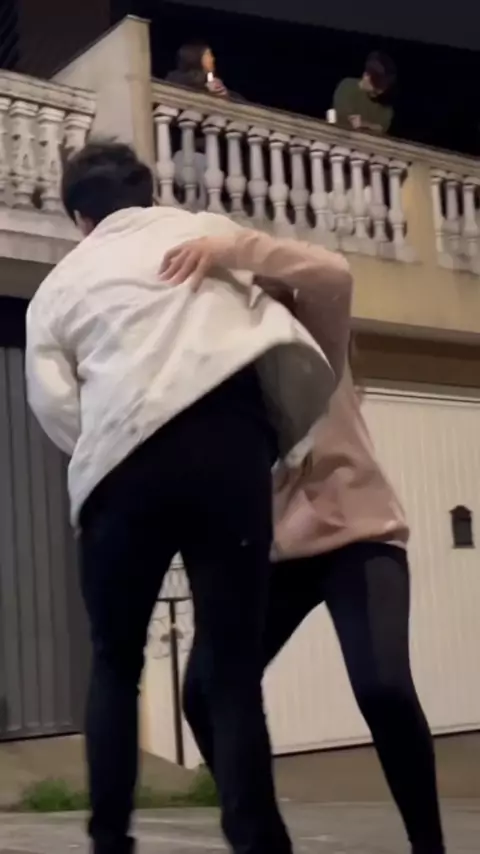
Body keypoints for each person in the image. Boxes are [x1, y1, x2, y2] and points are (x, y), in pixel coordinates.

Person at [25, 140, 352, 854]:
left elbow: (55, 404)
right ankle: (258, 840)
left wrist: (113, 441)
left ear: (79, 216)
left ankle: (110, 838)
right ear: (147, 194)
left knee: (115, 662)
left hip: (123, 464)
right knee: (232, 668)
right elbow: (307, 283)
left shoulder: (59, 284)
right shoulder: (205, 230)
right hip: (228, 445)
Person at [168, 239, 446, 854]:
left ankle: (429, 847)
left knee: (383, 688)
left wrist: (225, 245)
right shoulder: (206, 365)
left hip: (359, 536)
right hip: (271, 557)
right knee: (204, 695)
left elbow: (331, 271)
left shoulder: (313, 332)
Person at [333, 51, 396, 135]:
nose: (380, 91)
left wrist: (365, 124)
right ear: (366, 75)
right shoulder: (347, 86)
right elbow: (348, 119)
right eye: (376, 85)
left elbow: (382, 128)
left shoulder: (385, 103)